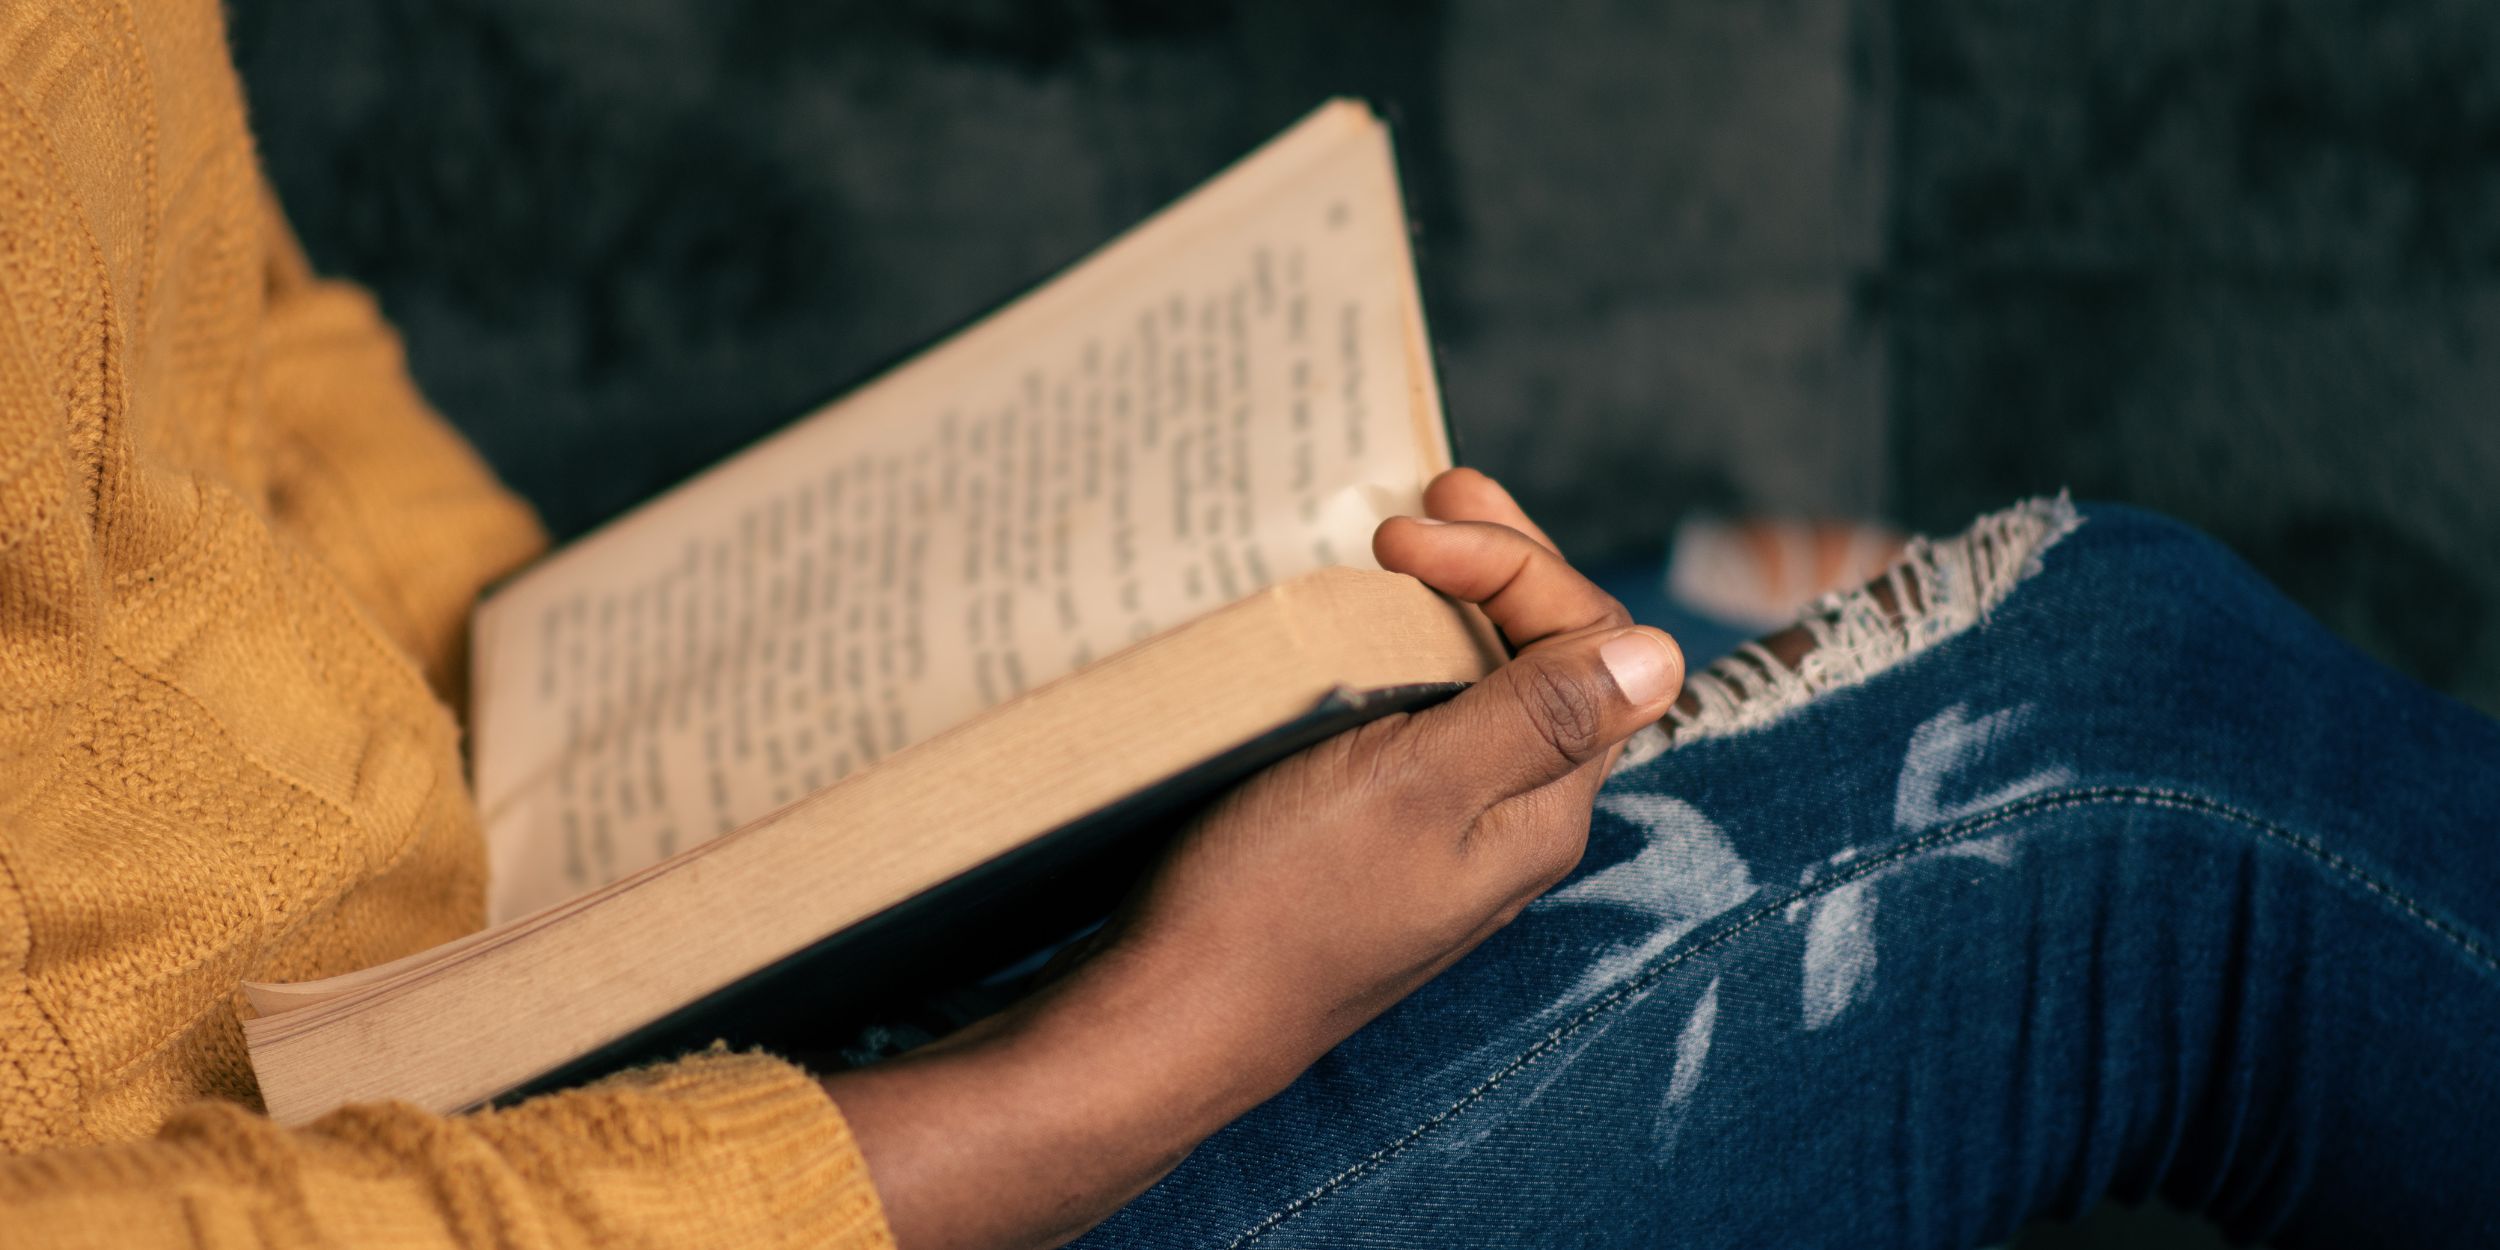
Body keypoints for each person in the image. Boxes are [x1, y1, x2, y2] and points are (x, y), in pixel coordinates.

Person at [3, 3, 2494, 1248]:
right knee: (2121, 754)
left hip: (486, 983)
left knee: (1517, 601)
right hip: (488, 1177)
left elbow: (233, 338)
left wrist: (648, 735)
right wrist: (1091, 1073)